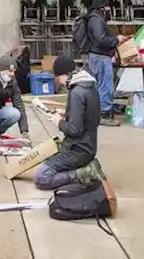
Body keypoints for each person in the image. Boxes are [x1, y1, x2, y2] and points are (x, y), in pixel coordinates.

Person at [34, 54, 106, 190]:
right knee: (48, 161)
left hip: (78, 149)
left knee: (41, 177)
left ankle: (82, 173)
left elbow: (74, 130)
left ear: (63, 75)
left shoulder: (76, 92)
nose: (59, 83)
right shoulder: (89, 85)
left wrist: (59, 121)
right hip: (88, 146)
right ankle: (86, 166)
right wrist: (67, 113)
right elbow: (89, 115)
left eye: (58, 78)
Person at [77, 0, 127, 127]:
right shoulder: (96, 19)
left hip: (98, 56)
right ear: (102, 7)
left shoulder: (94, 18)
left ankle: (103, 110)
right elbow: (100, 39)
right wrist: (116, 40)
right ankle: (104, 114)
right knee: (105, 86)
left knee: (101, 85)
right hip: (100, 56)